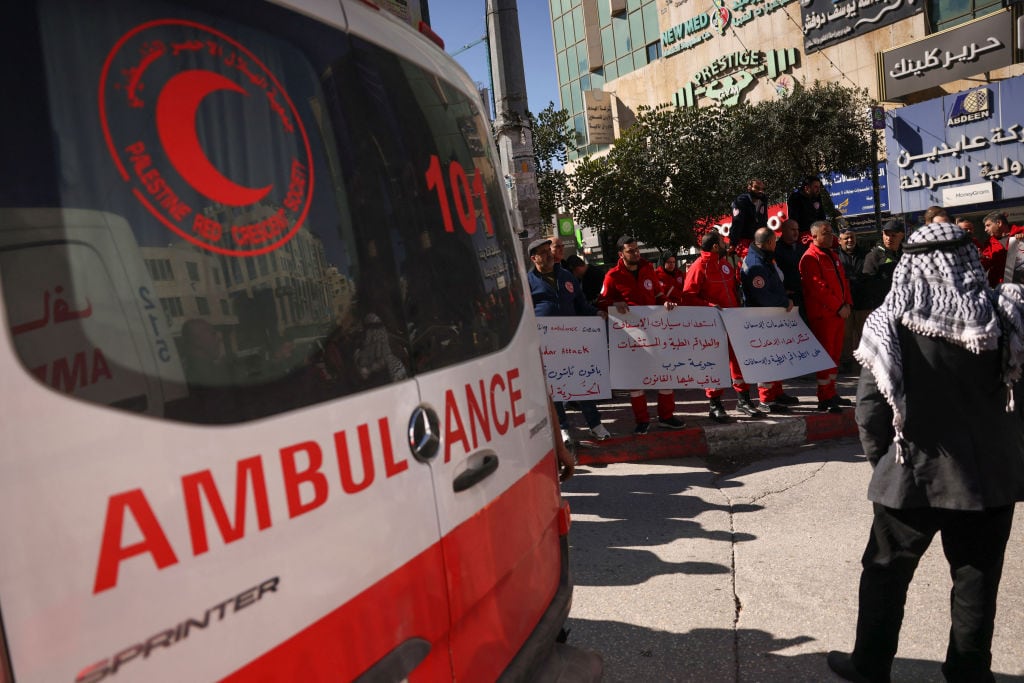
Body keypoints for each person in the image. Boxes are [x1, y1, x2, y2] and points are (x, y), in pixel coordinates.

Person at [828, 221, 1024, 683]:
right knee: (976, 579)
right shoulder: (1007, 313)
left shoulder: (889, 322)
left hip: (911, 473)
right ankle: (969, 671)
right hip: (989, 479)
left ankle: (869, 667)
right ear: (970, 258)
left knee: (884, 574)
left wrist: (883, 465)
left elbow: (871, 410)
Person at [598, 235, 686, 434]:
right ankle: (642, 420)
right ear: (621, 254)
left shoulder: (648, 269)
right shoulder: (612, 276)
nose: (636, 253)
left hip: (655, 332)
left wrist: (664, 302)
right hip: (630, 338)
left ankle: (666, 416)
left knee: (665, 374)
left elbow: (657, 293)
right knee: (636, 380)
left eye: (637, 249)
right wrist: (613, 304)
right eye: (631, 251)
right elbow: (601, 301)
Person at [527, 237, 612, 444]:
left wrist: (596, 313)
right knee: (554, 387)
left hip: (573, 342)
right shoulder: (527, 282)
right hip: (547, 346)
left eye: (549, 250)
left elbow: (581, 305)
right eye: (543, 252)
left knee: (582, 382)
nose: (549, 254)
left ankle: (595, 424)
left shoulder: (566, 276)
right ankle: (563, 428)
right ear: (534, 258)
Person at [682, 231, 764, 421]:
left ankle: (743, 401)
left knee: (738, 362)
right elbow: (688, 297)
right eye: (722, 242)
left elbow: (734, 289)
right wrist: (710, 307)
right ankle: (715, 405)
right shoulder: (698, 267)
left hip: (733, 322)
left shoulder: (725, 264)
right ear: (715, 247)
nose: (727, 244)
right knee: (714, 364)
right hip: (712, 326)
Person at [740, 227, 796, 414]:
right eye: (774, 241)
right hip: (761, 319)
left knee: (777, 357)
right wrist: (783, 301)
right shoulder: (755, 263)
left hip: (773, 316)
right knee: (766, 359)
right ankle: (766, 399)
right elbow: (762, 295)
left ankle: (777, 392)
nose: (776, 244)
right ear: (768, 243)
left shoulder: (764, 257)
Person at [799, 220, 852, 413]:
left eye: (831, 232)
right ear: (814, 236)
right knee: (826, 357)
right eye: (826, 233)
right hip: (824, 316)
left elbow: (843, 282)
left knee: (835, 355)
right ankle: (824, 398)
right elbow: (818, 289)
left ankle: (831, 392)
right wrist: (839, 306)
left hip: (837, 314)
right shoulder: (810, 258)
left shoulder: (832, 255)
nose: (831, 236)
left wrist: (847, 303)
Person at [837, 227, 870, 372]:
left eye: (852, 238)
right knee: (846, 335)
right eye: (846, 238)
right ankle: (846, 362)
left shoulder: (866, 255)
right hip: (845, 304)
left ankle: (868, 361)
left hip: (864, 301)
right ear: (839, 241)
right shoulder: (835, 256)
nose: (850, 240)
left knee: (866, 334)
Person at [861, 219, 905, 311]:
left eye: (893, 235)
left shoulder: (907, 255)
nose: (889, 238)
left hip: (905, 306)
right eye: (886, 234)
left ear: (901, 236)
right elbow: (868, 284)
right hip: (883, 308)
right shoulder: (873, 256)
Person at [774, 219, 807, 315]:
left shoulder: (802, 247)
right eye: (792, 229)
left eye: (797, 229)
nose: (796, 232)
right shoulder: (776, 249)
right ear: (783, 230)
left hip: (804, 296)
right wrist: (782, 291)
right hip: (788, 300)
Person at [729, 178, 769, 256]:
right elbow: (737, 222)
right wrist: (733, 244)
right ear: (749, 187)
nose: (761, 191)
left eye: (763, 189)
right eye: (757, 188)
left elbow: (764, 221)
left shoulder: (763, 200)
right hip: (744, 241)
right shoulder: (741, 200)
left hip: (758, 240)